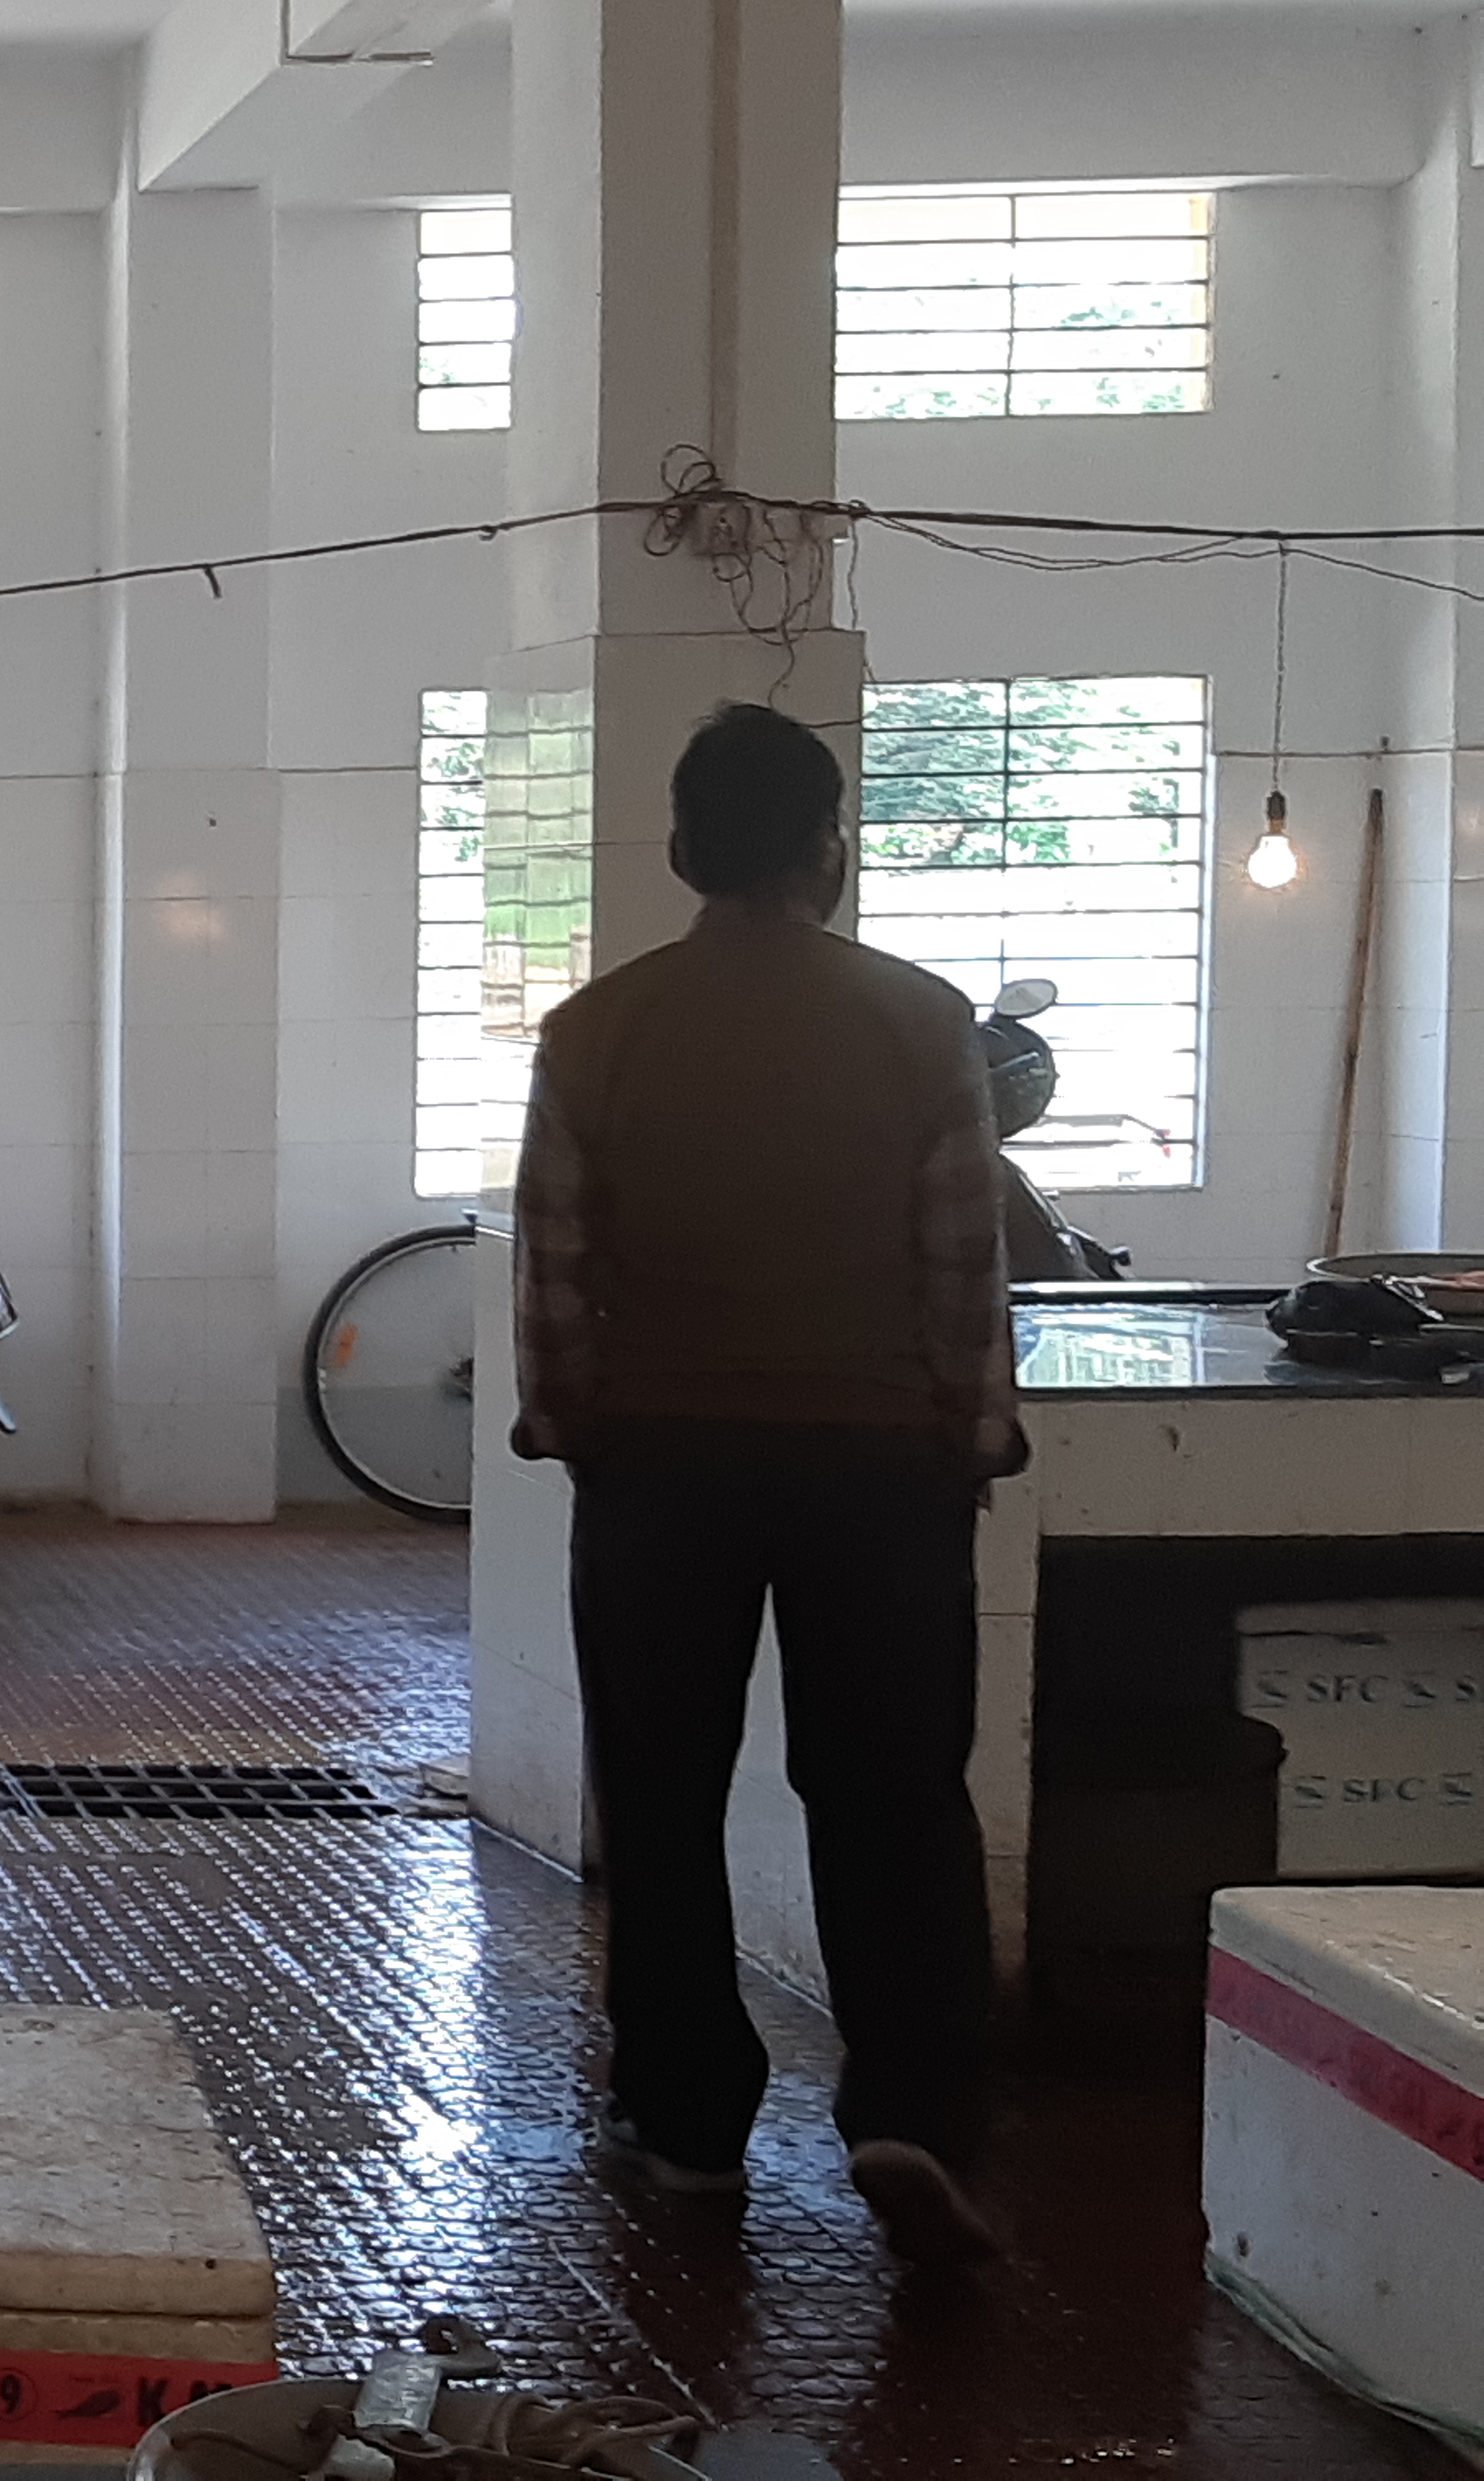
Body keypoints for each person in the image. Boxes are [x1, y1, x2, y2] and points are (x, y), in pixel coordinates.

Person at [508, 701, 1022, 2270]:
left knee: (660, 1800)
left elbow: (556, 1268)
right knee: (894, 1799)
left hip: (662, 1466)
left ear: (678, 850)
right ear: (830, 846)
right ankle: (909, 2113)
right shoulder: (925, 1022)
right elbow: (962, 1269)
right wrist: (969, 1436)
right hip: (878, 1467)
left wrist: (579, 1426)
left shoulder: (597, 1031)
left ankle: (685, 2126)